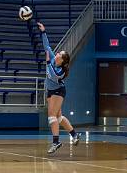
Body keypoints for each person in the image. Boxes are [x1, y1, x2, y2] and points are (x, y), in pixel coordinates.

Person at [37, 22, 81, 154]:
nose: (56, 53)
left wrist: (47, 62)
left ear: (62, 60)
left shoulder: (61, 71)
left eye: (59, 54)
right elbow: (46, 47)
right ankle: (74, 135)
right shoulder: (52, 59)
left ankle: (56, 142)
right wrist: (43, 32)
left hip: (58, 91)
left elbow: (52, 75)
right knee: (59, 117)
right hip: (51, 91)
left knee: (51, 116)